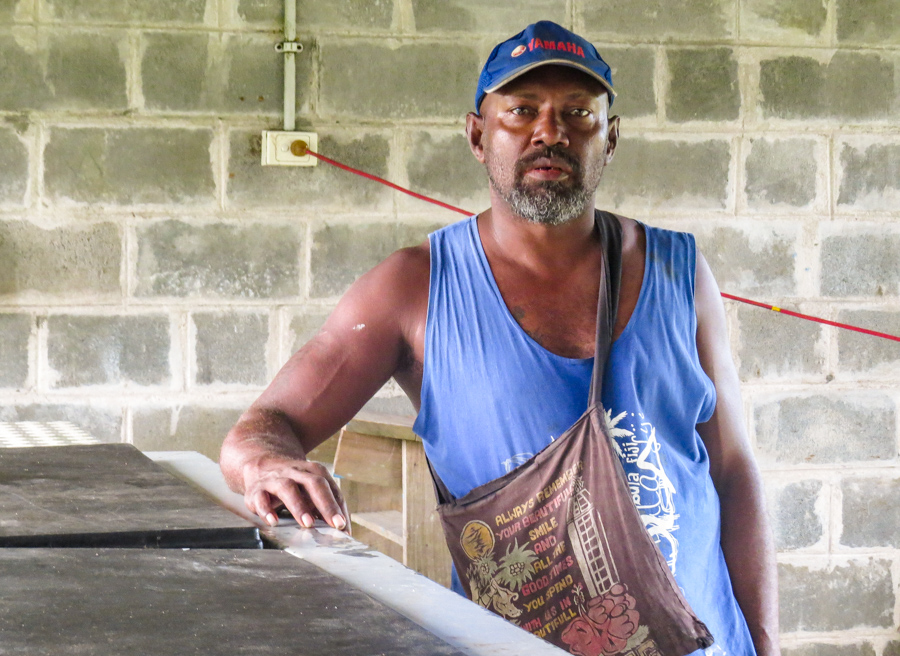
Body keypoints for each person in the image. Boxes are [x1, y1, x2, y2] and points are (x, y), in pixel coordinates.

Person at [220, 20, 779, 656]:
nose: (550, 132)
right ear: (478, 135)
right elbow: (259, 429)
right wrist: (266, 463)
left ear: (611, 138)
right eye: (522, 111)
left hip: (707, 642)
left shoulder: (680, 272)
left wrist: (764, 643)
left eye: (578, 112)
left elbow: (732, 471)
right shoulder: (415, 287)